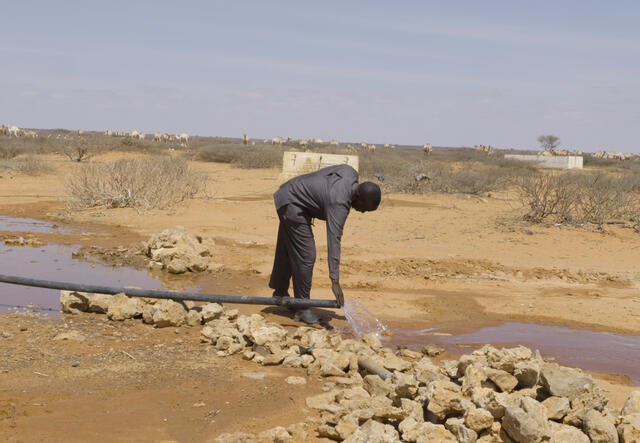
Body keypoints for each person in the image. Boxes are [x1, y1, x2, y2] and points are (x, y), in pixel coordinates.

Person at [269, 164, 381, 324]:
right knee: (306, 255)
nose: (362, 212)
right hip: (293, 204)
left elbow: (324, 175)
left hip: (290, 193)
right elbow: (334, 241)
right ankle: (302, 308)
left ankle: (280, 292)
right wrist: (334, 280)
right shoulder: (339, 204)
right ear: (357, 197)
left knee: (290, 247)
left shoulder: (350, 173)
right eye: (364, 208)